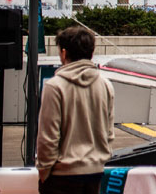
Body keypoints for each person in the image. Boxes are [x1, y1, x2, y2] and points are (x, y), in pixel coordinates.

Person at [36, 26, 115, 194]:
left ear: (64, 53)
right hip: (95, 173)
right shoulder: (105, 85)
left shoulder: (55, 86)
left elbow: (48, 138)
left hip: (61, 175)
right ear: (91, 54)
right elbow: (109, 133)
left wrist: (44, 171)